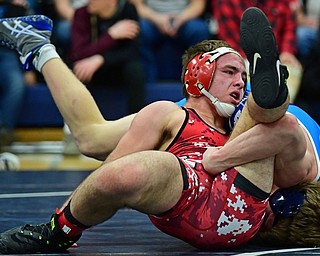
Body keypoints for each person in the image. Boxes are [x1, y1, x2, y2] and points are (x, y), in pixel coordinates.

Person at [0, 8, 319, 253]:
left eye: (242, 75)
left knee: (270, 121)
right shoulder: (175, 111)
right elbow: (111, 172)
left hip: (252, 177)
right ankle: (39, 48)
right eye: (230, 72)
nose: (239, 81)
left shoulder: (241, 112)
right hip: (225, 167)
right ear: (199, 76)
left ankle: (273, 98)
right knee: (99, 143)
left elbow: (283, 136)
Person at [212, 0, 303, 103]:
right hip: (243, 57)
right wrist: (256, 61)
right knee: (244, 75)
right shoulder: (226, 2)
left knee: (294, 69)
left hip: (276, 55)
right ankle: (250, 110)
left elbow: (289, 25)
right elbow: (229, 39)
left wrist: (287, 51)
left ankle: (284, 109)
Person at [69, 0, 146, 116]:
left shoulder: (128, 10)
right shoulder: (81, 14)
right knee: (80, 68)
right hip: (93, 71)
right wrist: (111, 35)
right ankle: (79, 125)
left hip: (117, 68)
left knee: (135, 69)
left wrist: (102, 59)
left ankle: (137, 122)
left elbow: (132, 52)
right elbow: (79, 53)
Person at [130, 0, 211, 83]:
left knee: (199, 31)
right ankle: (147, 86)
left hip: (185, 18)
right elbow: (136, 5)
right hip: (151, 19)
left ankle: (197, 85)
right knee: (139, 30)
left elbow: (198, 5)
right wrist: (156, 19)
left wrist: (181, 19)